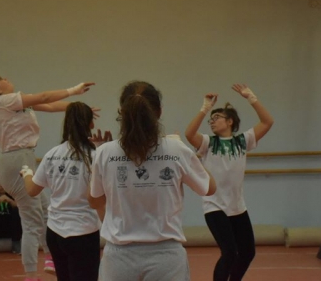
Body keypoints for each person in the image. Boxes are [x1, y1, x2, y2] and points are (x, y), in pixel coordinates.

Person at [0, 75, 95, 281]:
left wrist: (80, 110)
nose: (6, 78)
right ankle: (30, 275)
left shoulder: (16, 102)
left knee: (45, 211)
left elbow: (49, 105)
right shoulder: (5, 100)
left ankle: (50, 257)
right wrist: (74, 90)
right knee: (31, 222)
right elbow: (44, 96)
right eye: (0, 79)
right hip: (15, 161)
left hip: (21, 158)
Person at [89, 81, 216, 281]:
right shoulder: (176, 149)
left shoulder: (104, 152)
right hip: (167, 256)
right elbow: (209, 188)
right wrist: (187, 153)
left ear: (122, 112)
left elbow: (95, 200)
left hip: (118, 256)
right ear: (159, 112)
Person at [185, 84, 274, 281]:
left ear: (230, 121)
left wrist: (251, 97)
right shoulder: (208, 143)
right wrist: (205, 108)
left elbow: (267, 122)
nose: (212, 121)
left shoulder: (243, 141)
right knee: (229, 252)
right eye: (210, 120)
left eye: (217, 117)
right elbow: (189, 134)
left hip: (238, 207)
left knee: (248, 252)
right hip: (215, 206)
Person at [20, 102, 111, 281]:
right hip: (83, 233)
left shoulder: (52, 154)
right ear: (91, 124)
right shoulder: (95, 156)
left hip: (54, 233)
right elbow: (99, 197)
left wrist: (26, 173)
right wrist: (103, 152)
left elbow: (32, 190)